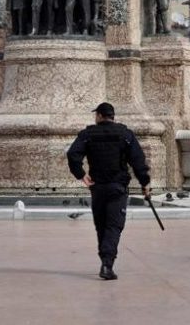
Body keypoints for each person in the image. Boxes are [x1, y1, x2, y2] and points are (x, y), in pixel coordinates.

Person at [67, 102, 150, 281]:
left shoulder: (88, 134)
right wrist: (145, 183)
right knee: (113, 226)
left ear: (99, 115)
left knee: (101, 226)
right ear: (112, 116)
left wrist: (81, 175)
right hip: (117, 188)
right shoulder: (125, 134)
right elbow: (138, 161)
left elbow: (72, 155)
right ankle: (107, 264)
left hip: (97, 188)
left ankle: (105, 260)